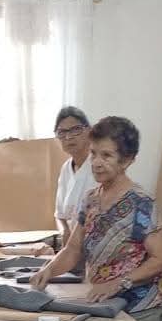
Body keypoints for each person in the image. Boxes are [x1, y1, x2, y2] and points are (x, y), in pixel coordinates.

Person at [28, 116, 162, 321]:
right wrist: (48, 270)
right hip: (104, 303)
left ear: (127, 160)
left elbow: (161, 260)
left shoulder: (140, 203)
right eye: (93, 153)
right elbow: (73, 249)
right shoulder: (91, 200)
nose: (96, 162)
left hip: (141, 308)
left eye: (106, 155)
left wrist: (119, 283)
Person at [52, 106, 95, 248]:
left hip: (93, 246)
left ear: (89, 130)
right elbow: (60, 215)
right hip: (70, 247)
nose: (68, 137)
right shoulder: (66, 168)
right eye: (62, 132)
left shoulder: (98, 167)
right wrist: (64, 231)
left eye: (75, 130)